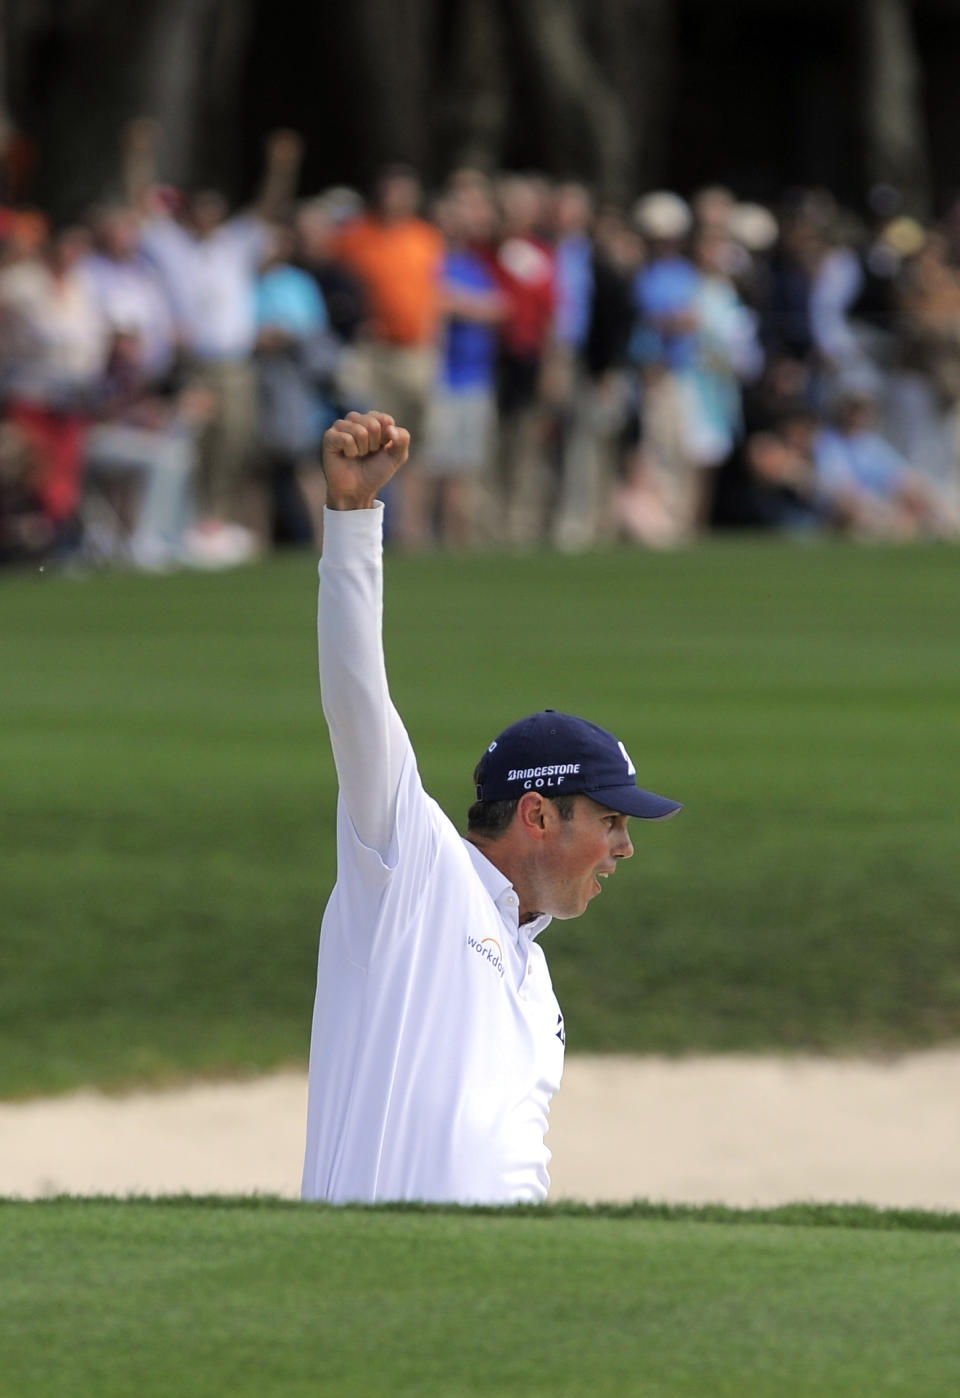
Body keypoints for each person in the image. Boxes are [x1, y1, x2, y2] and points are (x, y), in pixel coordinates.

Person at [302, 409, 682, 1206]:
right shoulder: (411, 871)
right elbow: (357, 701)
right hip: (364, 1299)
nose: (625, 847)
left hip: (484, 1307)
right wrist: (352, 522)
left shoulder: (534, 974)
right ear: (539, 816)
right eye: (610, 821)